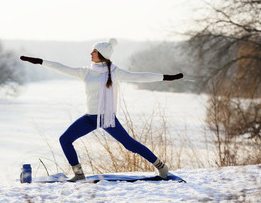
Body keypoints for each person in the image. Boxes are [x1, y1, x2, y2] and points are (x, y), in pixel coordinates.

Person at [20, 38, 183, 182]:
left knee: (130, 145)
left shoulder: (115, 73)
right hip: (90, 117)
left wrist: (166, 77)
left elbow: (139, 76)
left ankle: (162, 167)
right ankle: (78, 174)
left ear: (102, 54)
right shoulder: (86, 72)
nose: (90, 53)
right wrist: (40, 61)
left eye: (94, 51)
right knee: (65, 139)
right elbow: (61, 67)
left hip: (106, 118)